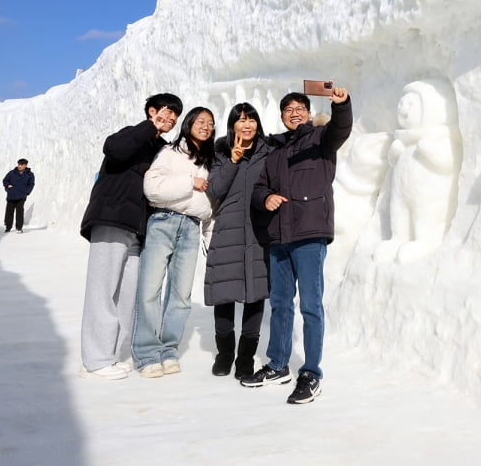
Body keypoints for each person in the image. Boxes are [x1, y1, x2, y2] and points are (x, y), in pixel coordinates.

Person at [242, 87, 353, 404]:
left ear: (307, 113)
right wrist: (265, 198)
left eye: (299, 108)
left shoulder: (321, 139)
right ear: (281, 116)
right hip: (279, 236)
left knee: (310, 305)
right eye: (287, 109)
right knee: (280, 303)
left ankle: (312, 373)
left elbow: (341, 127)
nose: (294, 113)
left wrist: (341, 104)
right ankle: (277, 365)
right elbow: (258, 189)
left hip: (309, 233)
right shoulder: (274, 154)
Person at [78, 92, 182, 380]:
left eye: (175, 114)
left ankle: (110, 355)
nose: (170, 118)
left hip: (138, 230)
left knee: (127, 296)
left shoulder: (162, 149)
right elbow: (114, 150)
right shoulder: (132, 135)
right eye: (165, 111)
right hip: (111, 219)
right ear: (151, 111)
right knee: (102, 291)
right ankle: (95, 361)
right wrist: (150, 127)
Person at [132, 106, 216, 378]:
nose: (206, 126)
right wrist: (190, 182)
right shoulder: (170, 153)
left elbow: (211, 205)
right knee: (150, 290)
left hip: (192, 227)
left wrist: (209, 238)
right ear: (189, 123)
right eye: (201, 121)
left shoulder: (211, 161)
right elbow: (152, 189)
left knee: (181, 295)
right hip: (163, 223)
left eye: (211, 123)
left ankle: (168, 349)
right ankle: (146, 353)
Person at [204, 103, 277, 380]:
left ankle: (245, 355)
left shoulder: (268, 152)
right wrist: (233, 160)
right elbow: (215, 189)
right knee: (224, 292)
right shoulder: (221, 152)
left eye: (251, 120)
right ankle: (225, 354)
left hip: (259, 231)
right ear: (232, 125)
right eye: (241, 120)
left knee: (255, 293)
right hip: (228, 231)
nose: (247, 126)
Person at [2, 158, 35, 233]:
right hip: (11, 195)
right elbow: (5, 180)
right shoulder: (12, 173)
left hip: (21, 196)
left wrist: (26, 192)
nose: (19, 166)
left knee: (20, 212)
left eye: (21, 165)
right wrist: (7, 186)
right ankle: (8, 227)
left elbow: (31, 184)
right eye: (19, 164)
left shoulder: (30, 174)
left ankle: (19, 228)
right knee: (9, 212)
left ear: (25, 165)